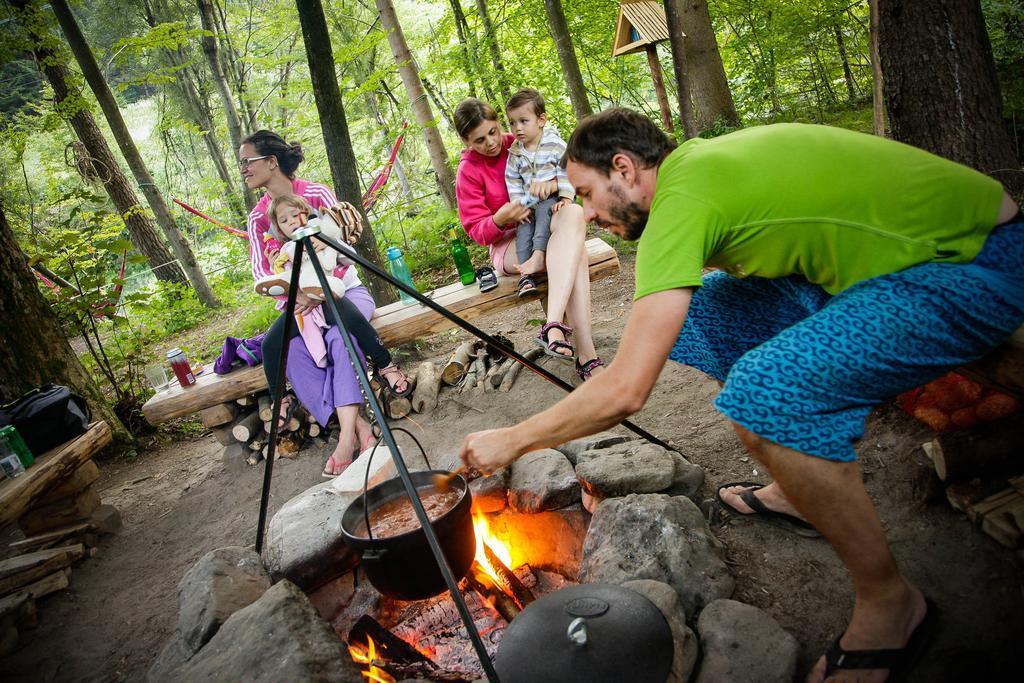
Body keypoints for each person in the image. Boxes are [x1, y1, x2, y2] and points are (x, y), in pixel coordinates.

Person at [460, 108, 1023, 682]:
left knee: (764, 394)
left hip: (976, 262)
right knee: (705, 314)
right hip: (907, 259)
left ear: (624, 169)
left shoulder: (682, 202)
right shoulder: (695, 168)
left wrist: (514, 439)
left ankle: (891, 602)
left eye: (587, 193)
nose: (589, 213)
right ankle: (801, 486)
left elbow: (626, 390)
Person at [240, 130, 410, 476]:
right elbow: (261, 272)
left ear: (272, 162)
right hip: (300, 309)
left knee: (338, 338)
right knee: (297, 357)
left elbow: (345, 241)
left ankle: (346, 438)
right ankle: (361, 428)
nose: (243, 168)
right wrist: (296, 293)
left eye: (248, 161)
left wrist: (324, 259)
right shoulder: (258, 219)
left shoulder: (315, 194)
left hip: (342, 293)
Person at [454, 98, 604, 381]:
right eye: (479, 140)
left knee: (572, 212)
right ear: (465, 141)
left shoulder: (521, 141)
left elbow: (570, 172)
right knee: (575, 253)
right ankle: (588, 356)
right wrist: (500, 218)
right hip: (510, 244)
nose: (490, 143)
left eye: (493, 132)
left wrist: (555, 185)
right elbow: (476, 231)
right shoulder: (468, 172)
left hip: (547, 223)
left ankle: (553, 323)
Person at [503, 88, 576, 297]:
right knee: (524, 229)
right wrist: (518, 205)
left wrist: (565, 198)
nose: (517, 128)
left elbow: (567, 170)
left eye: (523, 121)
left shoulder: (554, 145)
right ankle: (525, 276)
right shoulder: (515, 153)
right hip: (529, 204)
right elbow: (513, 180)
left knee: (545, 213)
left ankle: (539, 255)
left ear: (541, 120)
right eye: (512, 123)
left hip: (550, 200)